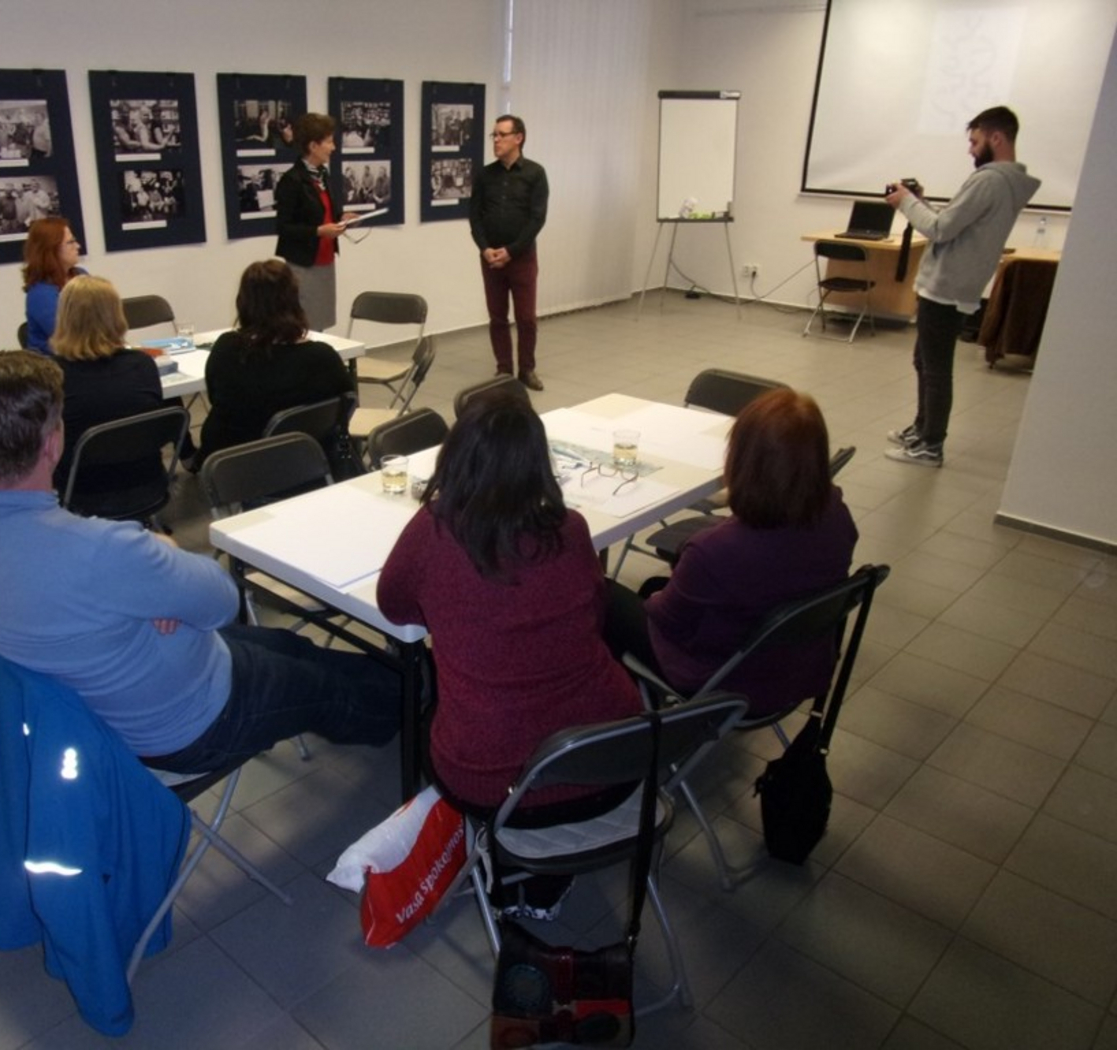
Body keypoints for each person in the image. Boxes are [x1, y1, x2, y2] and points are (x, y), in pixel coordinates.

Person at [0, 351, 401, 775]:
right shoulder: (104, 551)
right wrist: (164, 555)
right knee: (330, 688)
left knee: (287, 646)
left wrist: (149, 587)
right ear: (51, 444)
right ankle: (416, 710)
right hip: (190, 723)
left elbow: (67, 588)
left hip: (93, 711)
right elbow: (224, 600)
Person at [377, 389, 643, 920]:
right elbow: (594, 615)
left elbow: (394, 606)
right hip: (616, 760)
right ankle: (540, 867)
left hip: (491, 780)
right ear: (538, 464)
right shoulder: (571, 529)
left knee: (431, 711)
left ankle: (507, 856)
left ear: (454, 460)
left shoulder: (433, 531)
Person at [604, 388, 858, 719]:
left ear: (741, 460)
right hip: (796, 667)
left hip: (722, 680)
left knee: (602, 593)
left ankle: (615, 709)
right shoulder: (837, 514)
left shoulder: (715, 550)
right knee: (648, 588)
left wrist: (658, 596)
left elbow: (666, 621)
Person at [883, 105, 1041, 468]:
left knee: (935, 369)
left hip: (947, 286)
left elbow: (940, 230)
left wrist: (906, 203)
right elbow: (954, 223)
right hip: (954, 283)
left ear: (996, 138)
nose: (970, 149)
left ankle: (930, 445)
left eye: (975, 141)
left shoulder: (990, 180)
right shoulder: (1005, 182)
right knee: (925, 361)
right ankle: (922, 429)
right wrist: (920, 202)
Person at [197, 259, 355, 464]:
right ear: (294, 301)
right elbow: (345, 406)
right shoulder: (322, 358)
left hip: (231, 465)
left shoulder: (226, 349)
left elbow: (214, 396)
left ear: (243, 303)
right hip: (304, 462)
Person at [48, 276, 168, 515]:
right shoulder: (142, 364)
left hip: (82, 493)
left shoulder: (53, 375)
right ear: (117, 315)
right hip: (148, 485)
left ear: (64, 318)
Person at [470, 114, 549, 391]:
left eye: (502, 135)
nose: (496, 140)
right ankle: (503, 369)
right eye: (494, 135)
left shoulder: (535, 174)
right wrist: (485, 248)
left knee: (526, 318)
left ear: (519, 138)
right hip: (491, 259)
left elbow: (537, 219)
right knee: (497, 317)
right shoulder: (484, 175)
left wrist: (512, 251)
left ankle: (526, 369)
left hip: (521, 257)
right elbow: (475, 217)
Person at [274, 112, 357, 332]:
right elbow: (283, 227)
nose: (333, 147)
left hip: (325, 261)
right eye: (329, 142)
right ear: (313, 146)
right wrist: (318, 231)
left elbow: (326, 213)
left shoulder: (323, 176)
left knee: (320, 323)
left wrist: (343, 219)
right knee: (304, 324)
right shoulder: (291, 181)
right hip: (303, 264)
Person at [22, 216, 84, 354]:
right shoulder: (40, 294)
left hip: (86, 355)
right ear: (51, 249)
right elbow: (69, 337)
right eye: (70, 242)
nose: (78, 246)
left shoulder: (81, 275)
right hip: (54, 363)